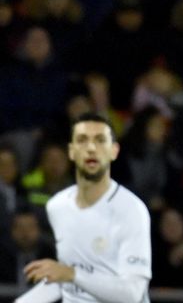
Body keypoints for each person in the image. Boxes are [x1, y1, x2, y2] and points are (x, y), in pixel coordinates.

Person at [23, 113, 152, 302]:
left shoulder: (131, 210)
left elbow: (132, 294)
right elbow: (64, 281)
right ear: (71, 151)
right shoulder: (57, 206)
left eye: (100, 141)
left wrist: (71, 274)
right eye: (82, 140)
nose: (91, 148)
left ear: (114, 151)